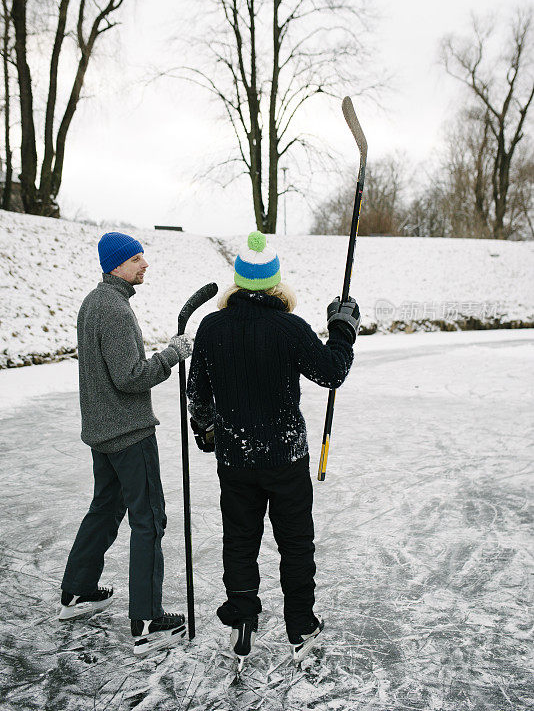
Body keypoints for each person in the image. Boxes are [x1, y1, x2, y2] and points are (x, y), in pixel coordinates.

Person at [187, 231, 359, 667]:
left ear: (238, 282)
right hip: (285, 456)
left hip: (236, 458)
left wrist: (206, 433)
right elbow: (332, 372)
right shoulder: (290, 328)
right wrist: (341, 330)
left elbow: (198, 393)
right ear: (275, 282)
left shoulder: (211, 326)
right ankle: (300, 623)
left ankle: (243, 616)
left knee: (240, 539)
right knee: (295, 542)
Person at [59, 231, 192, 656]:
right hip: (128, 434)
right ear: (116, 265)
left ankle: (78, 590)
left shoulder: (94, 303)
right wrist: (171, 355)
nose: (144, 264)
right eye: (136, 259)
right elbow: (130, 376)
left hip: (104, 432)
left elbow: (117, 369)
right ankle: (148, 621)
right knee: (149, 519)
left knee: (105, 508)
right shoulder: (113, 309)